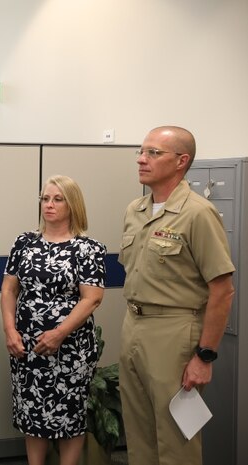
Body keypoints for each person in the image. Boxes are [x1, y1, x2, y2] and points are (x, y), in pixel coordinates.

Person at [118, 126, 235, 465]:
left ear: (181, 161)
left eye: (153, 153)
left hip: (175, 332)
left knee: (175, 441)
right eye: (141, 151)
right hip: (134, 325)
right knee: (138, 434)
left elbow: (222, 290)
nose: (142, 158)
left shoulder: (198, 213)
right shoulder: (135, 211)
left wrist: (205, 356)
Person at [1, 175, 107, 465]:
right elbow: (9, 288)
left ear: (72, 205)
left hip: (70, 347)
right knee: (31, 410)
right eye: (45, 198)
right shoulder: (24, 243)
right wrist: (10, 330)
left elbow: (92, 298)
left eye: (57, 199)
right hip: (26, 345)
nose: (49, 205)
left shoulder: (88, 249)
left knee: (70, 414)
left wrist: (58, 334)